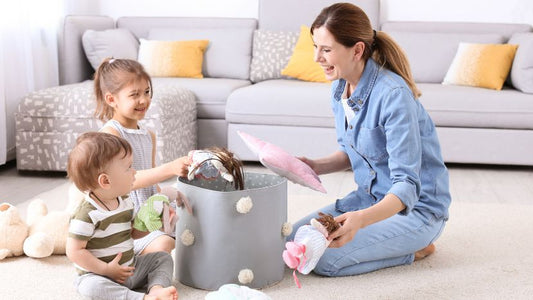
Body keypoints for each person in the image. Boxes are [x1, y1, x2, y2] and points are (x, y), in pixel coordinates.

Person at [288, 3, 452, 277]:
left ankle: (417, 247)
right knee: (296, 238)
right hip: (370, 198)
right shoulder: (340, 87)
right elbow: (354, 152)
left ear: (357, 50)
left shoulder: (394, 96)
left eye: (326, 50)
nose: (317, 57)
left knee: (326, 260)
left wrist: (360, 221)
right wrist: (314, 165)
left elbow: (407, 186)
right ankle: (388, 239)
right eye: (315, 47)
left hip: (417, 210)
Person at [93, 58, 189, 255]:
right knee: (165, 244)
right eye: (134, 95)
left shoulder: (148, 135)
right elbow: (123, 183)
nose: (143, 100)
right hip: (127, 223)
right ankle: (135, 256)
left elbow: (151, 185)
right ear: (111, 99)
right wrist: (169, 168)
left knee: (193, 216)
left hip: (149, 211)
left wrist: (164, 203)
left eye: (146, 92)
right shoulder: (111, 135)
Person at [66, 132, 178, 300]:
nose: (134, 172)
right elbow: (74, 251)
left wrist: (153, 223)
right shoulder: (87, 214)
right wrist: (106, 269)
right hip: (100, 275)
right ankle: (139, 298)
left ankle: (156, 289)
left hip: (129, 268)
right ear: (105, 181)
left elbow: (133, 233)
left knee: (162, 258)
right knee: (89, 287)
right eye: (128, 168)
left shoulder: (125, 201)